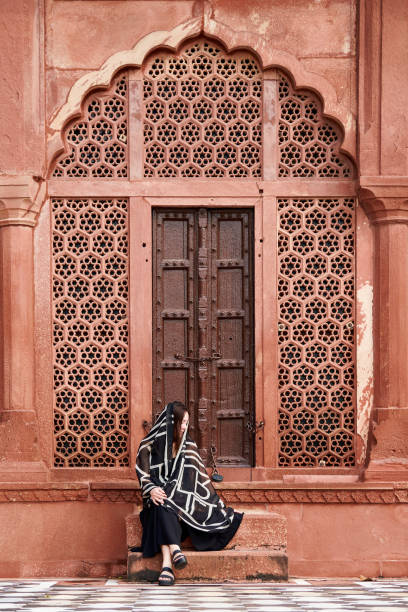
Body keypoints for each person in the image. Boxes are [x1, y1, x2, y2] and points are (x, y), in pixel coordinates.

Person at [135, 401, 243, 585]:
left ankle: (167, 566)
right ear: (171, 423)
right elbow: (143, 474)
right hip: (155, 504)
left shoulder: (188, 447)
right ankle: (174, 554)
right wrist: (151, 489)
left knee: (164, 504)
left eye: (186, 423)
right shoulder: (148, 446)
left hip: (184, 510)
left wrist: (169, 494)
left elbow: (194, 483)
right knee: (160, 506)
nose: (185, 427)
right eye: (182, 422)